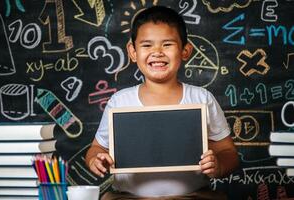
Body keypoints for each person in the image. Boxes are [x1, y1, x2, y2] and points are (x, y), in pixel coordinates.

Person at [85, 5, 239, 200]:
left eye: (167, 44)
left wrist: (218, 165)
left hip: (192, 196)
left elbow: (228, 152)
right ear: (132, 52)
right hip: (129, 197)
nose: (157, 52)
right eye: (147, 45)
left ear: (185, 51)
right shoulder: (120, 101)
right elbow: (96, 149)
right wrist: (95, 160)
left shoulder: (202, 98)